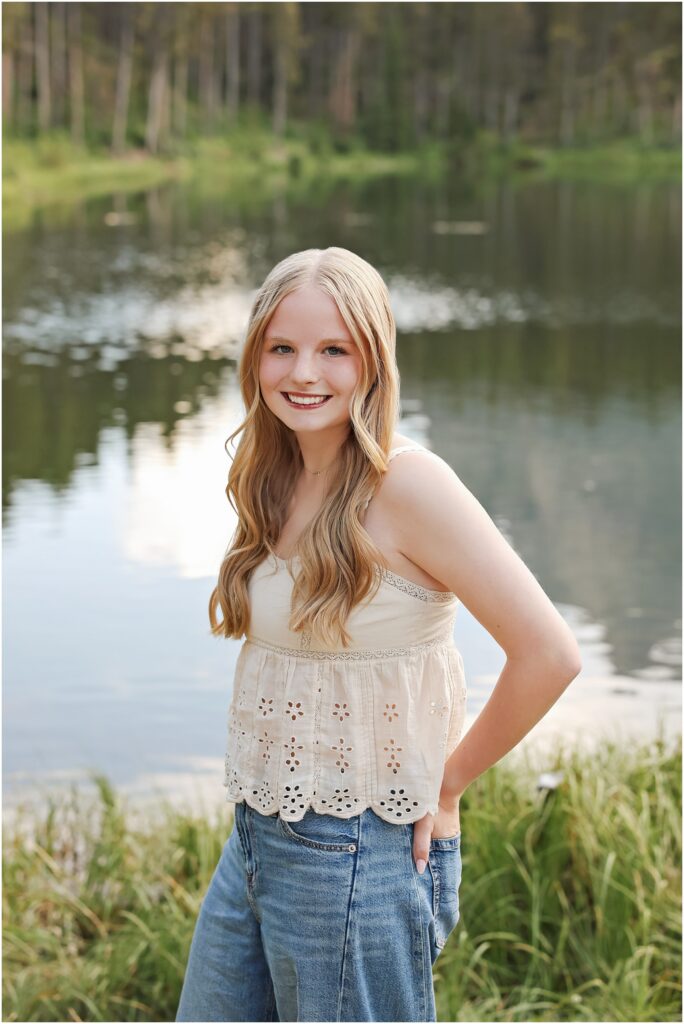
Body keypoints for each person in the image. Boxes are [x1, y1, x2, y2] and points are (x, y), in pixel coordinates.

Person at [175, 246, 581, 1023]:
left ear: (374, 359)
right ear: (256, 353)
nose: (305, 373)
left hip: (359, 855)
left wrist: (450, 781)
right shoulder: (274, 475)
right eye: (283, 347)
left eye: (334, 350)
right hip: (257, 840)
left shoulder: (408, 483)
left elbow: (549, 655)